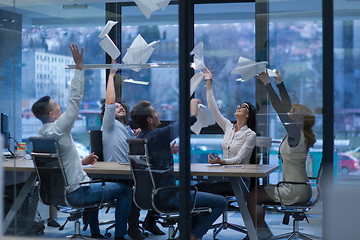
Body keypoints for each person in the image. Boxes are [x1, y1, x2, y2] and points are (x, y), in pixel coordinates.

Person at [31, 44, 131, 240]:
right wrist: (79, 67)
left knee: (93, 181)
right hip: (76, 192)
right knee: (125, 191)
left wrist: (81, 162)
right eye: (56, 106)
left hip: (61, 193)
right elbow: (75, 99)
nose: (60, 106)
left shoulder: (42, 135)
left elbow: (59, 163)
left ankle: (95, 233)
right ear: (52, 114)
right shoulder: (60, 128)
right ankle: (120, 236)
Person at [130, 99, 228, 240]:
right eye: (155, 112)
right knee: (221, 202)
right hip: (167, 197)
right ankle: (193, 236)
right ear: (150, 119)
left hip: (150, 197)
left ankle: (186, 234)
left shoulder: (140, 137)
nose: (158, 114)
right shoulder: (158, 135)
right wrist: (193, 104)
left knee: (200, 191)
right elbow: (187, 122)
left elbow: (151, 159)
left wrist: (165, 151)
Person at [245, 69, 316, 240]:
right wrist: (279, 83)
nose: (289, 112)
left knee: (254, 195)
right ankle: (261, 231)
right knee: (257, 191)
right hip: (300, 188)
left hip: (293, 190)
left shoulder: (296, 134)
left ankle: (257, 234)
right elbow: (285, 107)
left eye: (292, 112)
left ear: (297, 118)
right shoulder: (300, 134)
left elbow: (281, 109)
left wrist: (268, 84)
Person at [100, 60, 164, 239]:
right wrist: (112, 75)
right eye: (116, 107)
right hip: (117, 172)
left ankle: (149, 221)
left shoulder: (126, 129)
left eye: (121, 107)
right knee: (139, 190)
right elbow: (110, 103)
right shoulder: (109, 124)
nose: (118, 107)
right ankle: (133, 228)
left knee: (156, 184)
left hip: (129, 170)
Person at [196, 66, 257, 196]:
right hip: (225, 177)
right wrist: (209, 83)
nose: (239, 107)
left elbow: (239, 159)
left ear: (248, 115)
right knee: (197, 187)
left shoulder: (250, 135)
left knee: (204, 190)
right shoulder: (229, 127)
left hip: (239, 181)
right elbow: (214, 109)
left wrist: (221, 161)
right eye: (239, 105)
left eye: (244, 107)